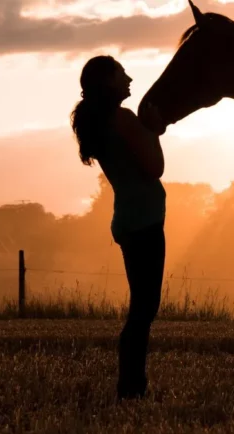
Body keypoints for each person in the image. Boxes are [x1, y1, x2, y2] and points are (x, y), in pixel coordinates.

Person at [70, 55, 166, 400]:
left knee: (141, 305)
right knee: (144, 308)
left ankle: (132, 384)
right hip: (145, 221)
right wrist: (154, 131)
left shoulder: (102, 121)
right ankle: (131, 386)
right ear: (108, 82)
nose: (129, 77)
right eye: (120, 73)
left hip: (127, 218)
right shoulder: (123, 119)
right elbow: (155, 167)